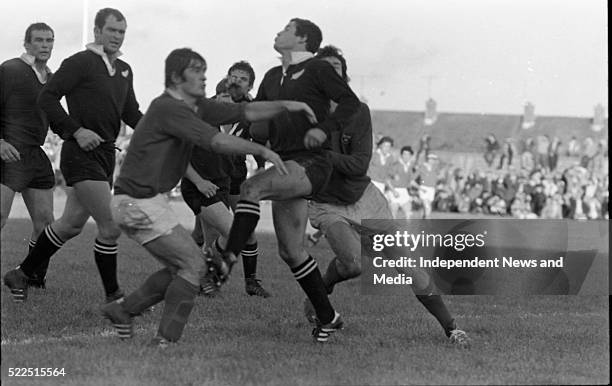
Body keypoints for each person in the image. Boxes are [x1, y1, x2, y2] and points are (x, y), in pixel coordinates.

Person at [100, 47, 317, 346]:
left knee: (184, 266)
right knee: (195, 266)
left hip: (144, 201)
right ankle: (163, 340)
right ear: (177, 78)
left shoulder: (196, 106)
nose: (205, 77)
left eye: (204, 71)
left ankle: (124, 311)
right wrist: (261, 150)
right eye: (197, 72)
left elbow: (246, 111)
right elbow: (215, 141)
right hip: (138, 203)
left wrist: (287, 104)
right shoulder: (169, 108)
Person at [305, 45, 469, 347]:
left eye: (336, 69)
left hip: (365, 197)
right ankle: (323, 288)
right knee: (354, 264)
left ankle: (451, 328)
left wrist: (320, 156)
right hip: (327, 202)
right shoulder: (303, 111)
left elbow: (357, 164)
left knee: (409, 267)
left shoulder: (358, 111)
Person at [217, 18, 362, 343]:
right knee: (291, 251)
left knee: (251, 188)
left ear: (301, 40)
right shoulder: (271, 76)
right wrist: (250, 121)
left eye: (286, 29)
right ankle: (328, 317)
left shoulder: (318, 69)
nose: (279, 32)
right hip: (287, 163)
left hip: (313, 162)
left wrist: (322, 129)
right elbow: (258, 119)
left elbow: (350, 103)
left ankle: (227, 259)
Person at [4, 8, 143, 303]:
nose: (117, 36)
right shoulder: (79, 63)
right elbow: (48, 97)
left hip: (102, 154)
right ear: (97, 31)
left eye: (121, 31)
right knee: (110, 224)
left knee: (68, 224)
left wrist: (160, 134)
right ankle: (115, 298)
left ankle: (23, 273)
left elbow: (131, 113)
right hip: (76, 155)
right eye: (111, 30)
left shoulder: (125, 70)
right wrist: (76, 131)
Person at [182, 62, 270, 298]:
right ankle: (195, 276)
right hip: (204, 182)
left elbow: (259, 141)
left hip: (232, 177)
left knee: (244, 230)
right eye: (233, 77)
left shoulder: (248, 112)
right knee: (212, 234)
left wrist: (261, 167)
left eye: (243, 79)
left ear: (249, 85)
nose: (236, 82)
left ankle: (250, 282)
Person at [1, 23, 56, 293]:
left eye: (49, 40)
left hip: (35, 154)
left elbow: (57, 119)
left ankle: (32, 276)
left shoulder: (52, 77)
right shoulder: (10, 69)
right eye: (39, 40)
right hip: (8, 152)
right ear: (26, 44)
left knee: (46, 223)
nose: (44, 45)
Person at [387, 145, 416, 219]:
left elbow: (411, 181)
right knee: (393, 214)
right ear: (401, 155)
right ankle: (391, 230)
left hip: (404, 191)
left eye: (408, 154)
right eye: (404, 154)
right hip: (394, 190)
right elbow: (387, 180)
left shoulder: (410, 166)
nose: (406, 156)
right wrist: (393, 191)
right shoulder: (395, 165)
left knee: (408, 214)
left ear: (411, 156)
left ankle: (407, 230)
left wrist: (419, 190)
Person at [415, 153, 439, 219]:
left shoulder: (435, 168)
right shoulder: (422, 167)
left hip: (432, 189)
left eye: (434, 159)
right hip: (423, 188)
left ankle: (422, 220)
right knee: (427, 205)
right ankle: (427, 220)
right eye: (431, 159)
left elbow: (435, 178)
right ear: (428, 159)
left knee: (425, 206)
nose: (432, 161)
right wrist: (421, 184)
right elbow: (415, 177)